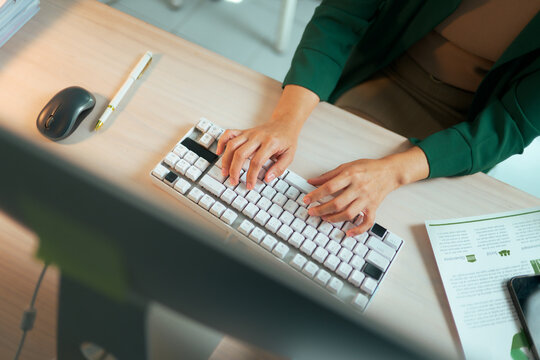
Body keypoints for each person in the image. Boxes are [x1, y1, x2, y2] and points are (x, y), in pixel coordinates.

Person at [216, 0, 540, 237]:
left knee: (391, 224)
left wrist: (392, 174)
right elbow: (342, 17)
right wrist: (285, 119)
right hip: (380, 71)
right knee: (299, 185)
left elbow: (509, 124)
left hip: (468, 130)